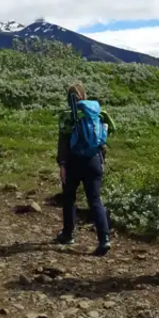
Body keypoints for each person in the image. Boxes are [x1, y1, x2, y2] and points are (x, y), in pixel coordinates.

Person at [56, 82, 116, 256]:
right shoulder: (99, 114)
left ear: (69, 99)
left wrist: (62, 164)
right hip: (94, 161)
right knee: (95, 200)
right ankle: (104, 239)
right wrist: (102, 160)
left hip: (74, 161)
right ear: (84, 96)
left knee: (69, 197)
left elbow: (63, 143)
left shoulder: (67, 116)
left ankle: (68, 234)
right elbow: (106, 134)